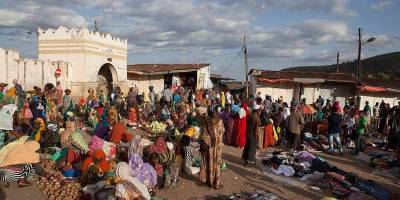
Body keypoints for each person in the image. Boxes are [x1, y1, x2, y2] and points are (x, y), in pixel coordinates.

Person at [199, 107, 225, 189]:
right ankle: (216, 183)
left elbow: (203, 135)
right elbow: (222, 131)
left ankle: (209, 182)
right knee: (216, 164)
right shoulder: (220, 121)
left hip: (210, 146)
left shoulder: (207, 121)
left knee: (209, 163)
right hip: (217, 146)